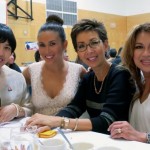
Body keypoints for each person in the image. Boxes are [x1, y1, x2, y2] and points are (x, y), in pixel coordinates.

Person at [25, 19, 135, 134]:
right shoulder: (89, 78)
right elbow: (75, 107)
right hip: (97, 140)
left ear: (105, 44)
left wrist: (59, 121)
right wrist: (48, 122)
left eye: (94, 43)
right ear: (77, 51)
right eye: (81, 46)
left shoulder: (120, 75)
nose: (89, 50)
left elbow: (107, 121)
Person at [23, 15, 86, 115]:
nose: (47, 51)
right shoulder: (30, 71)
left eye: (52, 44)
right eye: (42, 45)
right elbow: (20, 102)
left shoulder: (78, 70)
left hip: (70, 129)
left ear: (64, 45)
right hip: (37, 129)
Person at [108, 22, 150, 143]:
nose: (146, 53)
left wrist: (141, 136)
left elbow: (138, 134)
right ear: (131, 52)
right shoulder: (138, 83)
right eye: (139, 47)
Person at [0, 23, 32, 123]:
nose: (1, 53)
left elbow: (30, 110)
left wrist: (17, 110)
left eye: (7, 48)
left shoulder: (17, 78)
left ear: (11, 53)